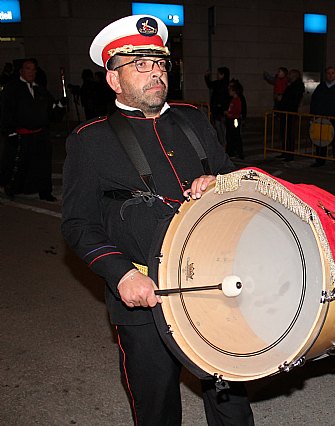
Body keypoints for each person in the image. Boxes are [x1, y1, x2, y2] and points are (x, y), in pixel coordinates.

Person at [60, 15, 254, 425]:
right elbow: (78, 224)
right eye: (141, 65)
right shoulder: (90, 139)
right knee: (156, 402)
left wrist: (218, 181)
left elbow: (233, 175)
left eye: (161, 64)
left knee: (229, 395)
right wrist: (120, 275)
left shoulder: (193, 119)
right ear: (114, 79)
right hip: (143, 289)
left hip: (213, 283)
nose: (156, 74)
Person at [0, 58, 65, 201]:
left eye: (33, 69)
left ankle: (45, 192)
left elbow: (51, 111)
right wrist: (9, 131)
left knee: (43, 164)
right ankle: (12, 187)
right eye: (28, 69)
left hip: (40, 134)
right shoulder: (12, 89)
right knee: (19, 164)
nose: (31, 72)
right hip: (21, 134)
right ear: (21, 71)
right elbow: (6, 110)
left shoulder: (40, 90)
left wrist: (60, 106)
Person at [276, 68, 305, 161]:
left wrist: (282, 100)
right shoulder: (292, 85)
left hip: (290, 112)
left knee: (289, 134)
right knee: (284, 133)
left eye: (290, 75)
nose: (288, 76)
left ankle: (289, 154)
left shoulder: (297, 86)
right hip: (285, 112)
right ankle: (285, 152)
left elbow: (292, 100)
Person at [204, 66, 231, 147]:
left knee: (221, 127)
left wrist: (206, 77)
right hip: (220, 109)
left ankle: (224, 143)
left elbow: (210, 85)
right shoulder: (224, 83)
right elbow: (210, 84)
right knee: (220, 127)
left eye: (219, 74)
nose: (217, 75)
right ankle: (224, 143)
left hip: (221, 110)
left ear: (222, 75)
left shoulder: (222, 84)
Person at [225, 79, 244, 159]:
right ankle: (231, 152)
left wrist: (230, 114)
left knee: (235, 135)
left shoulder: (237, 100)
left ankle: (238, 152)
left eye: (230, 90)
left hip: (235, 120)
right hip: (231, 119)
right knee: (230, 135)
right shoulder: (233, 100)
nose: (229, 92)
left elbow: (238, 111)